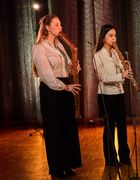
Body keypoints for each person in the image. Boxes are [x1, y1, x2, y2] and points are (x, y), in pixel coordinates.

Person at [32, 14, 82, 179]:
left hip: (64, 89)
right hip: (51, 92)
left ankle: (67, 165)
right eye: (57, 25)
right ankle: (56, 169)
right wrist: (65, 86)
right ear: (48, 27)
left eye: (60, 25)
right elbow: (46, 76)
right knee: (54, 131)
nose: (61, 28)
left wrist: (74, 67)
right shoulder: (40, 48)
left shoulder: (59, 45)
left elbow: (66, 67)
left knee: (67, 128)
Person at [93, 24, 131, 166]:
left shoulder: (115, 53)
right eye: (111, 35)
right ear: (103, 37)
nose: (114, 38)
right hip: (106, 95)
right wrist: (122, 74)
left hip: (119, 92)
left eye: (115, 35)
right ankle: (110, 159)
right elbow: (103, 77)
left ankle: (125, 157)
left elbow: (122, 69)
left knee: (122, 126)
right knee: (109, 127)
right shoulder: (97, 56)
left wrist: (126, 66)